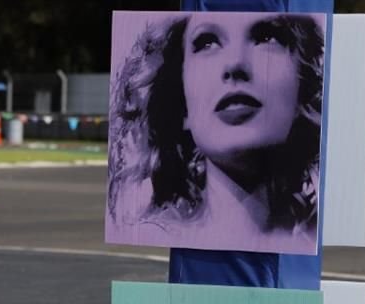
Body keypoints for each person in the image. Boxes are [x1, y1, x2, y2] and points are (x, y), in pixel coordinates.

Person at [107, 13, 324, 254]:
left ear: (303, 88)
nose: (235, 64)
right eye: (207, 42)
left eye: (266, 37)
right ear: (182, 107)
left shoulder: (317, 238)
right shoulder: (153, 231)